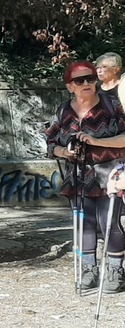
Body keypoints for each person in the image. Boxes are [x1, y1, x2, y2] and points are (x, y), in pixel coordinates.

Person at [47, 61, 125, 293]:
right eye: (79, 81)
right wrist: (65, 151)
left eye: (90, 78)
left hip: (112, 172)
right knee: (84, 224)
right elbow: (51, 144)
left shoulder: (112, 106)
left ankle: (115, 270)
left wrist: (97, 141)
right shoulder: (63, 111)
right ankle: (89, 269)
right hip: (79, 175)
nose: (86, 84)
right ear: (70, 86)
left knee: (112, 222)